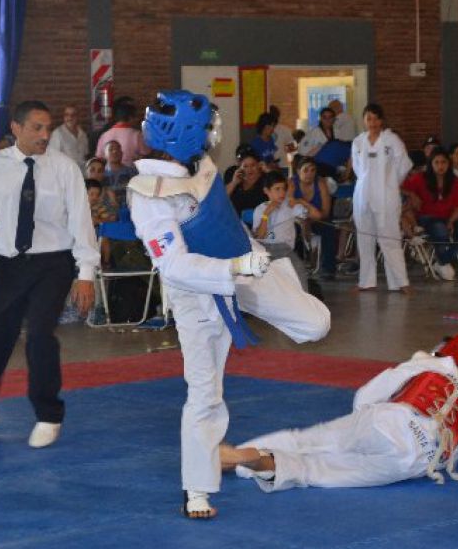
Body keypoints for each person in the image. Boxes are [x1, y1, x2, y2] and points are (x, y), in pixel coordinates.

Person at [127, 89, 330, 519]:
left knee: (316, 324)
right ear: (184, 133)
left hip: (247, 260)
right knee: (204, 393)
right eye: (205, 130)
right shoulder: (148, 194)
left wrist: (248, 260)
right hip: (199, 293)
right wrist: (235, 268)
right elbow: (175, 266)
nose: (211, 137)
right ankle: (197, 488)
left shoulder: (198, 165)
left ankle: (268, 284)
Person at [0, 100, 99, 449]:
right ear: (15, 128)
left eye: (48, 128)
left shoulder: (64, 168)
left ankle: (49, 415)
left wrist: (86, 272)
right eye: (37, 128)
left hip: (53, 263)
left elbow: (81, 220)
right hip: (10, 263)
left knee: (39, 335)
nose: (45, 135)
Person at [220, 330, 458, 492]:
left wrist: (363, 424)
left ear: (451, 348)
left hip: (387, 423)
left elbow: (365, 398)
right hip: (410, 464)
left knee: (306, 441)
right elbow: (447, 459)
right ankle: (254, 462)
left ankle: (232, 455)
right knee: (312, 471)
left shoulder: (430, 366)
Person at [351, 103, 412, 292]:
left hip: (386, 196)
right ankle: (366, 282)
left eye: (376, 118)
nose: (373, 122)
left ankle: (400, 282)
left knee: (390, 239)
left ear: (382, 120)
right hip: (363, 196)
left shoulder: (392, 140)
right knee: (365, 239)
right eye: (369, 118)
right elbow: (357, 169)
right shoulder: (358, 142)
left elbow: (404, 165)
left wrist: (391, 184)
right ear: (363, 121)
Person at [402, 149, 458, 281]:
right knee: (440, 230)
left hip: (449, 217)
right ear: (431, 164)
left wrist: (451, 221)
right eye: (436, 162)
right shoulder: (420, 178)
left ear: (449, 164)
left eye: (443, 162)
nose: (440, 166)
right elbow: (399, 186)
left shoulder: (455, 181)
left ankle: (441, 261)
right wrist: (412, 195)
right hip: (427, 218)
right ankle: (443, 263)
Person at [253, 170, 312, 284]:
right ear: (266, 191)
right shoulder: (260, 209)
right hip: (266, 251)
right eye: (277, 189)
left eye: (284, 189)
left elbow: (305, 215)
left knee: (299, 277)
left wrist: (295, 202)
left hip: (286, 251)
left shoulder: (289, 206)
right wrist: (266, 214)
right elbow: (260, 235)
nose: (282, 193)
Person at [288, 155, 337, 279]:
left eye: (313, 170)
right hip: (297, 220)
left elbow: (325, 212)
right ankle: (297, 267)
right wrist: (303, 217)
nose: (309, 174)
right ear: (298, 171)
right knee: (293, 231)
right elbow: (288, 207)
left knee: (329, 230)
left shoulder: (320, 183)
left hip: (317, 219)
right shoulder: (292, 183)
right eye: (306, 170)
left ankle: (328, 268)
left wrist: (305, 205)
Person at [95, 101, 148, 166]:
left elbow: (99, 158)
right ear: (130, 118)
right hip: (131, 174)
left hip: (109, 174)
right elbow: (146, 155)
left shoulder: (104, 135)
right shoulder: (137, 135)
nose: (137, 120)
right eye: (136, 117)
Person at [225, 150, 267, 216]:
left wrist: (268, 170)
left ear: (259, 166)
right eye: (245, 166)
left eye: (253, 165)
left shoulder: (266, 181)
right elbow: (221, 200)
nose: (250, 169)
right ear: (240, 169)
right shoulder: (237, 183)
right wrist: (234, 183)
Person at [103, 140, 137, 205]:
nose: (115, 151)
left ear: (122, 153)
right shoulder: (101, 174)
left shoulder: (132, 172)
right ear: (105, 154)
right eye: (111, 149)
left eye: (118, 149)